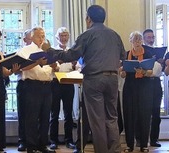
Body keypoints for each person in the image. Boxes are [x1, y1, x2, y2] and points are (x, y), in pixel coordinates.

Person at [48, 5, 125, 153]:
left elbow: (71, 56)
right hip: (113, 79)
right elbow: (122, 56)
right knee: (112, 118)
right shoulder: (115, 34)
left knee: (97, 120)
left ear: (88, 18)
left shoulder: (87, 34)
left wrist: (51, 51)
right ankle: (115, 150)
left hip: (94, 79)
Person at [17, 27, 56, 153]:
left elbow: (56, 68)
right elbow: (22, 67)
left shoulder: (47, 50)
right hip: (32, 86)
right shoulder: (25, 50)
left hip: (47, 86)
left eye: (43, 36)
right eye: (39, 36)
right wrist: (37, 62)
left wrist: (55, 65)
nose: (41, 38)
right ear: (32, 37)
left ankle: (42, 144)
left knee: (45, 117)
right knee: (31, 117)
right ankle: (31, 146)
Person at [119, 31, 155, 152]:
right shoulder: (126, 54)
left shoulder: (148, 53)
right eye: (135, 40)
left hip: (144, 87)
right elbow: (122, 73)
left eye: (139, 39)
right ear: (131, 41)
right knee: (129, 116)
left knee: (144, 115)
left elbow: (151, 72)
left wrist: (143, 72)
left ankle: (144, 144)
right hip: (129, 87)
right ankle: (129, 145)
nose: (138, 42)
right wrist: (122, 72)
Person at [49, 27, 77, 150]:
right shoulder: (53, 51)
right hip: (55, 83)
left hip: (69, 82)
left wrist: (75, 66)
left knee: (68, 113)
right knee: (54, 113)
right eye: (61, 36)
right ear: (57, 37)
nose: (64, 38)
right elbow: (51, 67)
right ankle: (53, 141)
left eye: (66, 35)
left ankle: (69, 140)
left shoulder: (72, 51)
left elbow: (77, 67)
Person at [142, 28, 164, 148]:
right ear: (144, 39)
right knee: (144, 112)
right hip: (145, 83)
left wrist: (162, 62)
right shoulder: (141, 50)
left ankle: (154, 139)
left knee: (156, 112)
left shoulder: (158, 51)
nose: (151, 39)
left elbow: (162, 69)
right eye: (148, 37)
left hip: (156, 82)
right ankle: (141, 139)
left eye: (152, 37)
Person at [17, 28, 32, 151]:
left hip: (35, 85)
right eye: (30, 38)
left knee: (35, 115)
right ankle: (22, 141)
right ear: (24, 39)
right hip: (23, 84)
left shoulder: (41, 50)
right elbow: (15, 70)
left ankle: (34, 140)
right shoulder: (21, 52)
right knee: (23, 114)